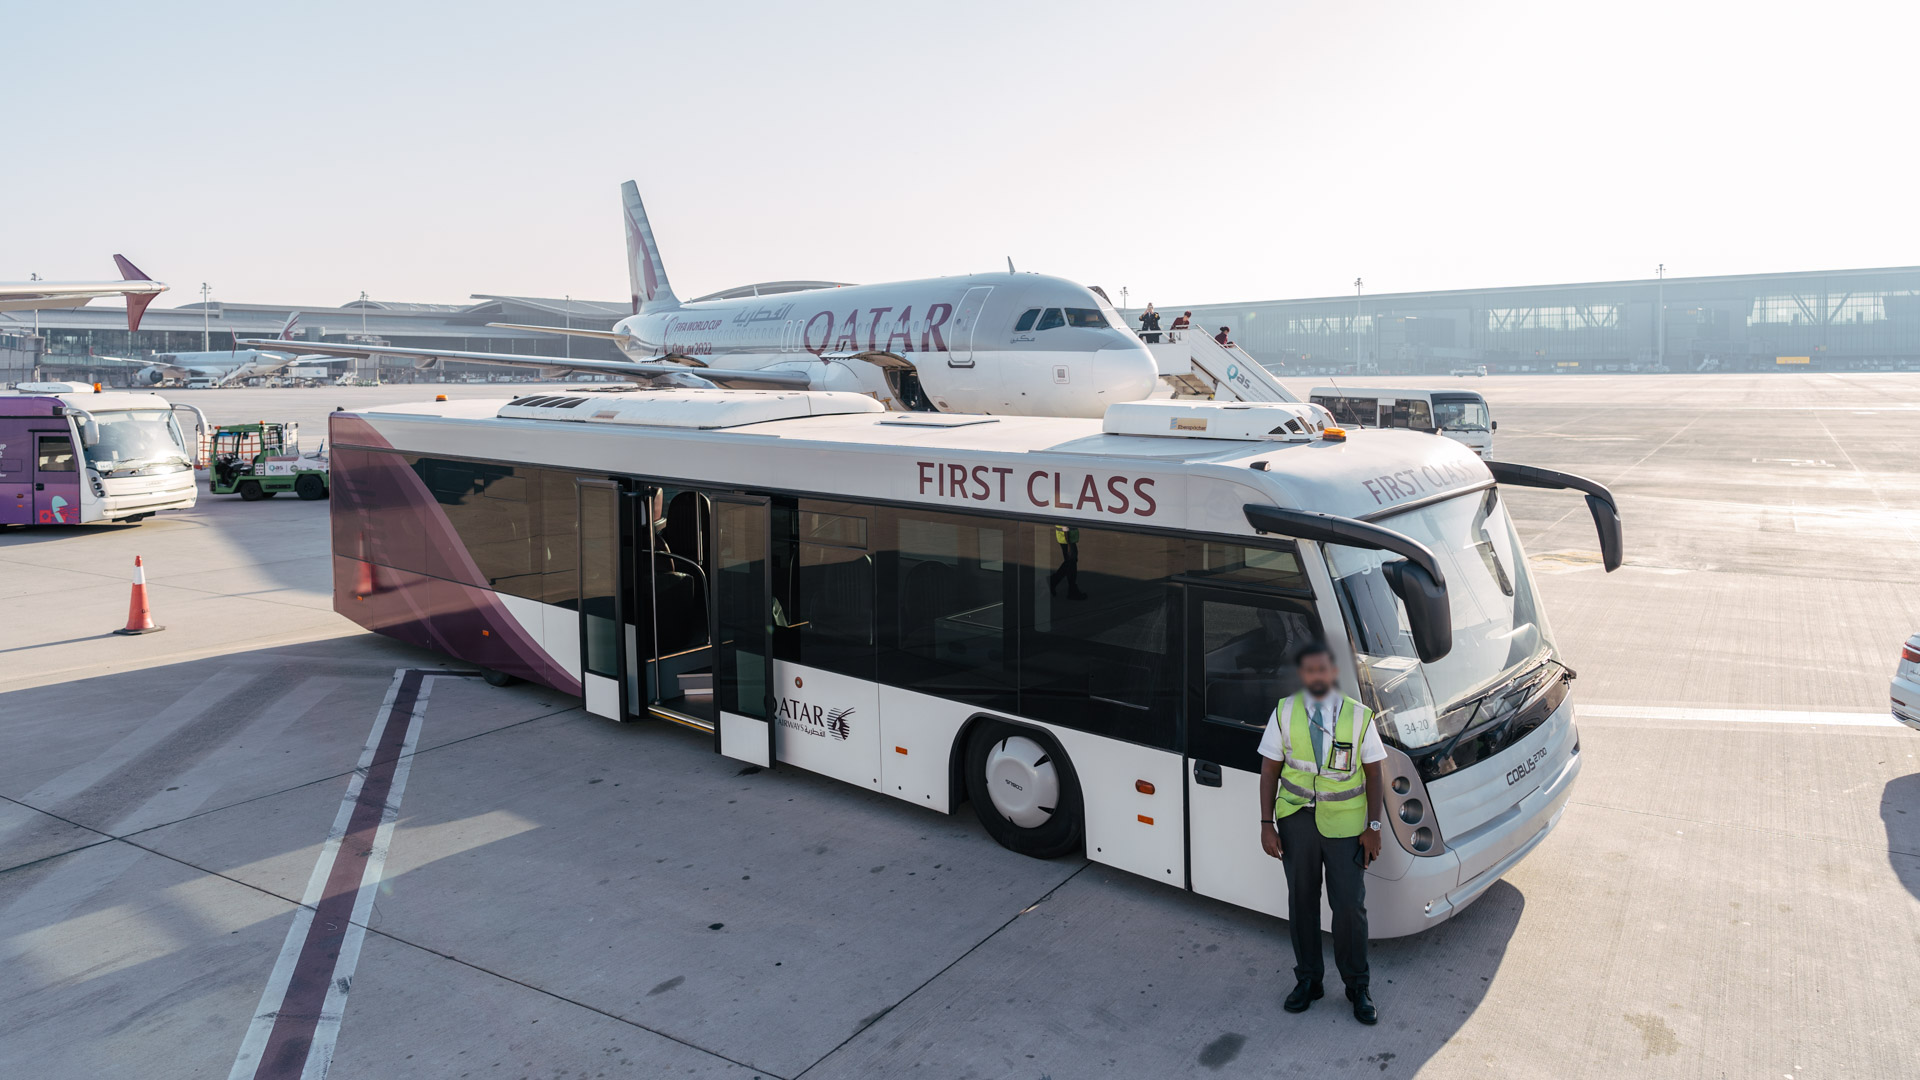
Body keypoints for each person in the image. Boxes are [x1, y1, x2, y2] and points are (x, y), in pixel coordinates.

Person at [1258, 641, 1387, 1025]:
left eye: (1323, 670)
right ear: (1302, 675)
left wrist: (1373, 827)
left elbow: (1375, 772)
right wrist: (1267, 824)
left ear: (1334, 674)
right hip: (1296, 820)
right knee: (1302, 903)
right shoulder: (1284, 712)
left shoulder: (1359, 716)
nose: (1316, 677)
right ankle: (1309, 981)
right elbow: (1269, 771)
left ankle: (1357, 986)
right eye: (1309, 671)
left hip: (1346, 826)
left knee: (1349, 907)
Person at [1048, 523, 1085, 599]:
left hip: (1066, 537)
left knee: (1071, 563)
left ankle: (1070, 589)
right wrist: (1069, 544)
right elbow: (1064, 524)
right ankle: (1070, 589)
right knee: (1071, 562)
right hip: (1066, 538)